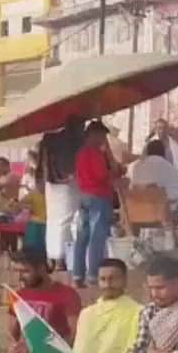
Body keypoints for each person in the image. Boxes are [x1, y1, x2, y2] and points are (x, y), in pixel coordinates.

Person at [72, 121, 120, 288]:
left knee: (82, 237)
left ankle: (78, 274)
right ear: (94, 135)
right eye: (102, 136)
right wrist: (112, 171)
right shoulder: (95, 153)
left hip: (83, 196)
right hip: (98, 196)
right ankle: (93, 274)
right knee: (97, 237)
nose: (103, 139)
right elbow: (101, 176)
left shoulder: (80, 153)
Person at [39, 116, 85, 270]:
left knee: (54, 221)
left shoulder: (48, 138)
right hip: (67, 184)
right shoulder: (73, 141)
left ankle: (52, 258)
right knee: (66, 221)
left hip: (51, 184)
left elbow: (42, 164)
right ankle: (60, 259)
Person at [131, 138, 178, 220]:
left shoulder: (137, 166)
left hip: (140, 209)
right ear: (162, 151)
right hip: (164, 211)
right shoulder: (164, 164)